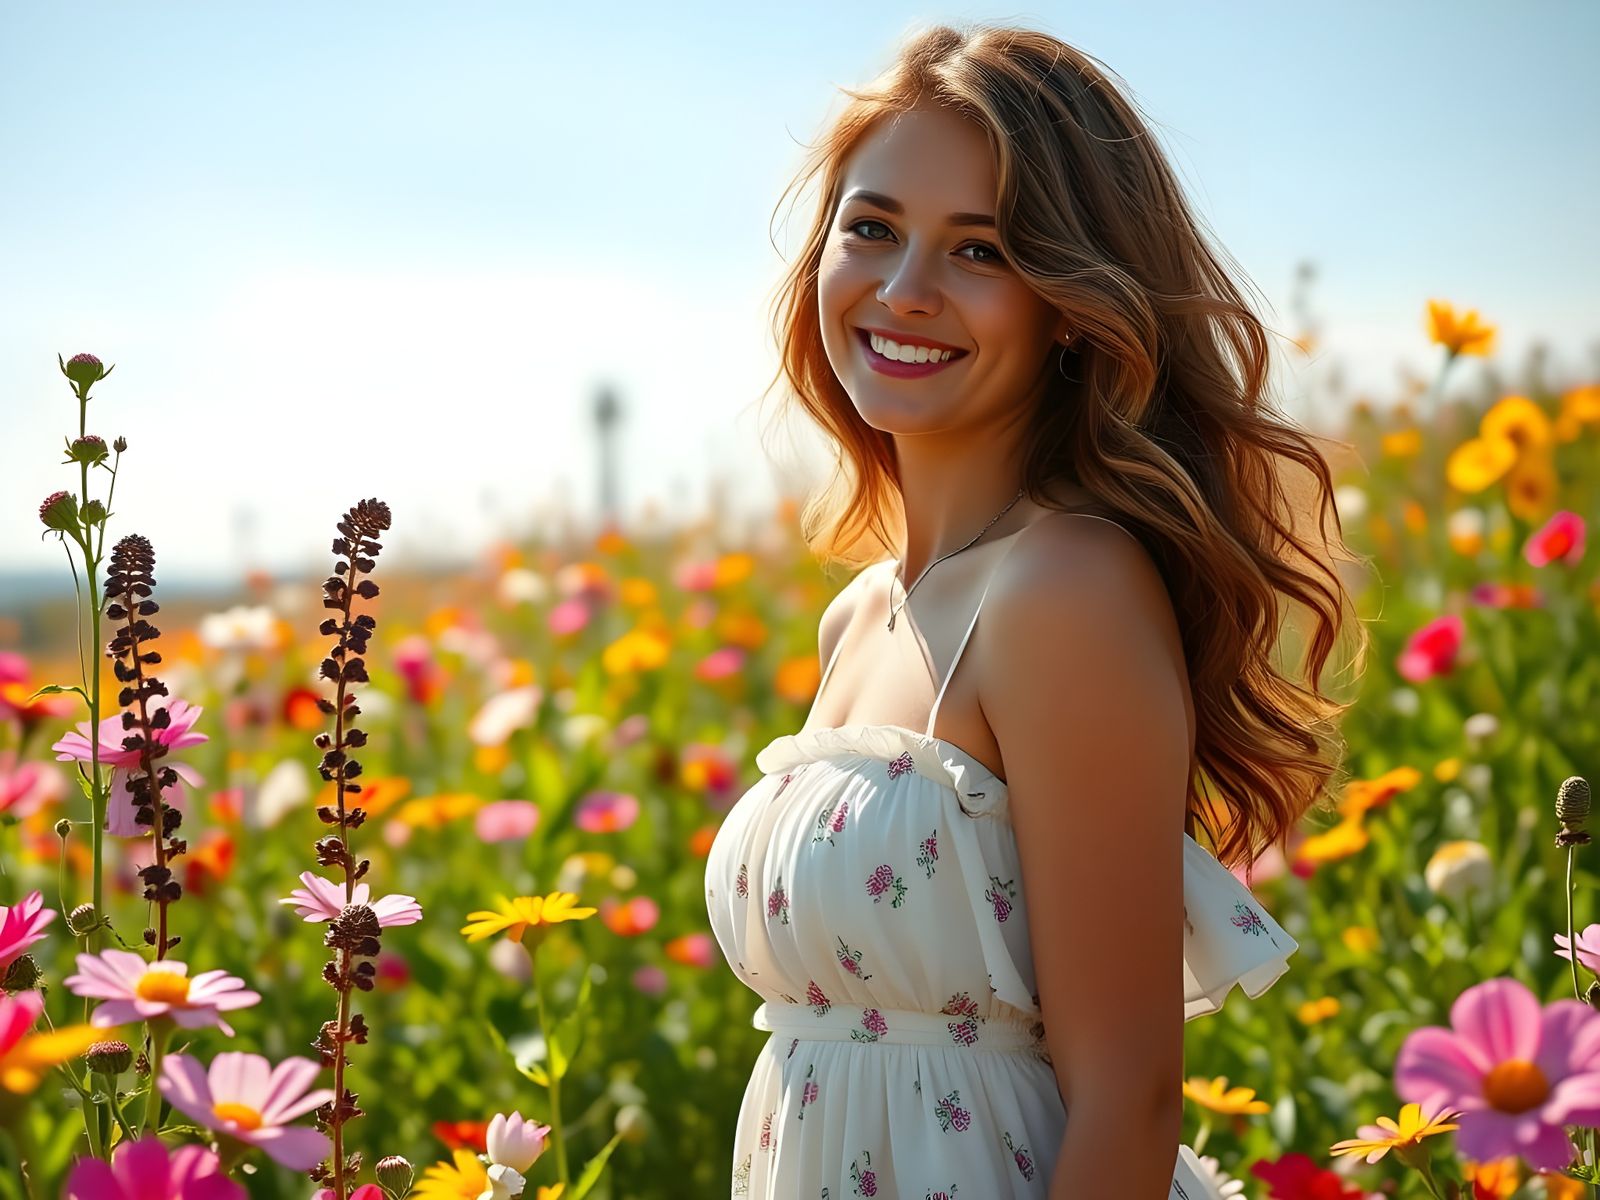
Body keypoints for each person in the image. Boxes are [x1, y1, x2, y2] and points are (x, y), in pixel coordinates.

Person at [706, 20, 1369, 1199]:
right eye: (873, 229)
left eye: (982, 250)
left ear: (1070, 301)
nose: (904, 292)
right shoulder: (861, 615)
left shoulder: (1061, 588)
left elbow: (1129, 1095)